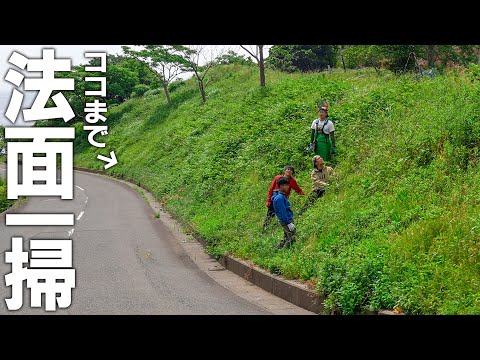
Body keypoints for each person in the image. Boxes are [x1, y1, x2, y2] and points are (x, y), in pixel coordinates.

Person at [263, 165, 304, 230]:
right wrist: (268, 200)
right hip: (274, 198)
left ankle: (280, 227)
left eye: (291, 170)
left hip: (283, 200)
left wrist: (302, 193)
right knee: (270, 214)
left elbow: (297, 189)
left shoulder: (292, 181)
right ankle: (265, 228)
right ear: (284, 171)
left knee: (282, 214)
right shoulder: (277, 177)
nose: (289, 171)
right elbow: (271, 188)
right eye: (288, 169)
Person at [272, 176, 297, 249]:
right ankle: (285, 252)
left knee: (286, 237)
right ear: (281, 186)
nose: (288, 187)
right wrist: (289, 223)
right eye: (286, 185)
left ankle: (276, 249)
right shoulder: (280, 198)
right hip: (286, 220)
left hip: (285, 220)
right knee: (291, 238)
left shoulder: (280, 196)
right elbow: (282, 212)